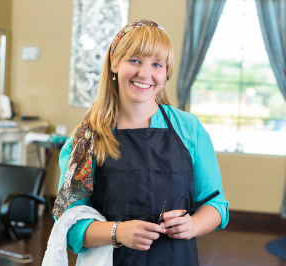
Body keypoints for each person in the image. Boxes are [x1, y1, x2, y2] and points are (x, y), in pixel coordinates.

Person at [51, 19, 229, 265]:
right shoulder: (86, 140)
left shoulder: (190, 130)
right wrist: (117, 232)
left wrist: (193, 224)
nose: (145, 74)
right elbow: (68, 226)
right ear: (114, 62)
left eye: (157, 64)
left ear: (166, 73)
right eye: (134, 60)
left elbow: (216, 206)